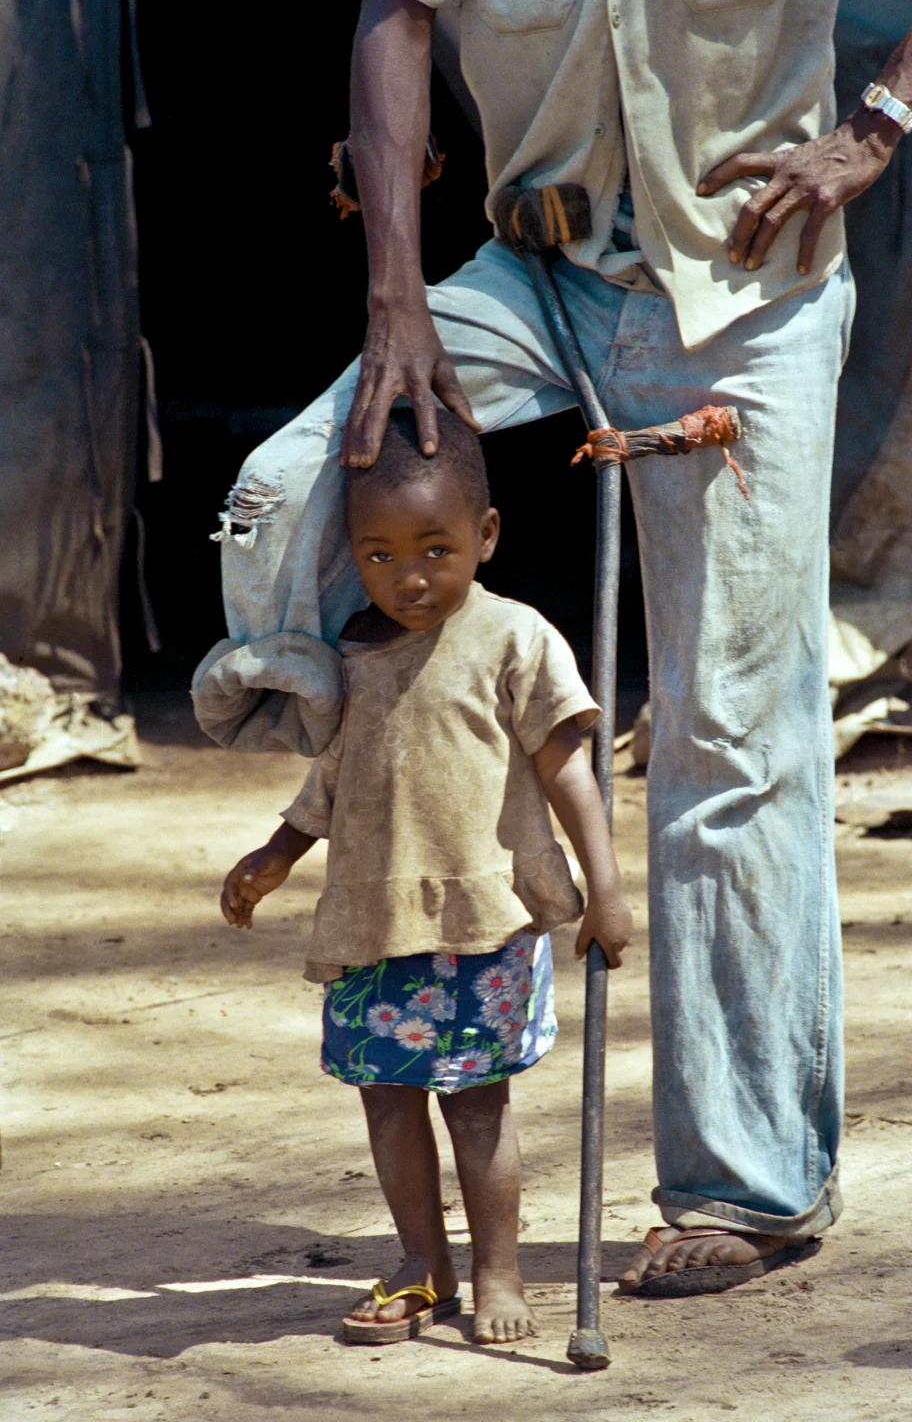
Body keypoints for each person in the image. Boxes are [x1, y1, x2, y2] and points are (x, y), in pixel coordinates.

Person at [195, 0, 912, 1295]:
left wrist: (879, 122)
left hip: (748, 295)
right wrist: (396, 298)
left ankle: (749, 1188)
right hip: (536, 280)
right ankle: (402, 772)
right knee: (285, 494)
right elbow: (396, 13)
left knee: (732, 739)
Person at [219, 409, 632, 1343]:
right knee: (387, 1100)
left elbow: (568, 769)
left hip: (481, 920)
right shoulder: (354, 654)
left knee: (478, 1108)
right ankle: (422, 1263)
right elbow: (337, 780)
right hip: (372, 921)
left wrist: (604, 888)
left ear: (486, 535)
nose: (409, 576)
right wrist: (276, 856)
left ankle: (498, 1273)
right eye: (379, 555)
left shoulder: (515, 638)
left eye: (436, 549)